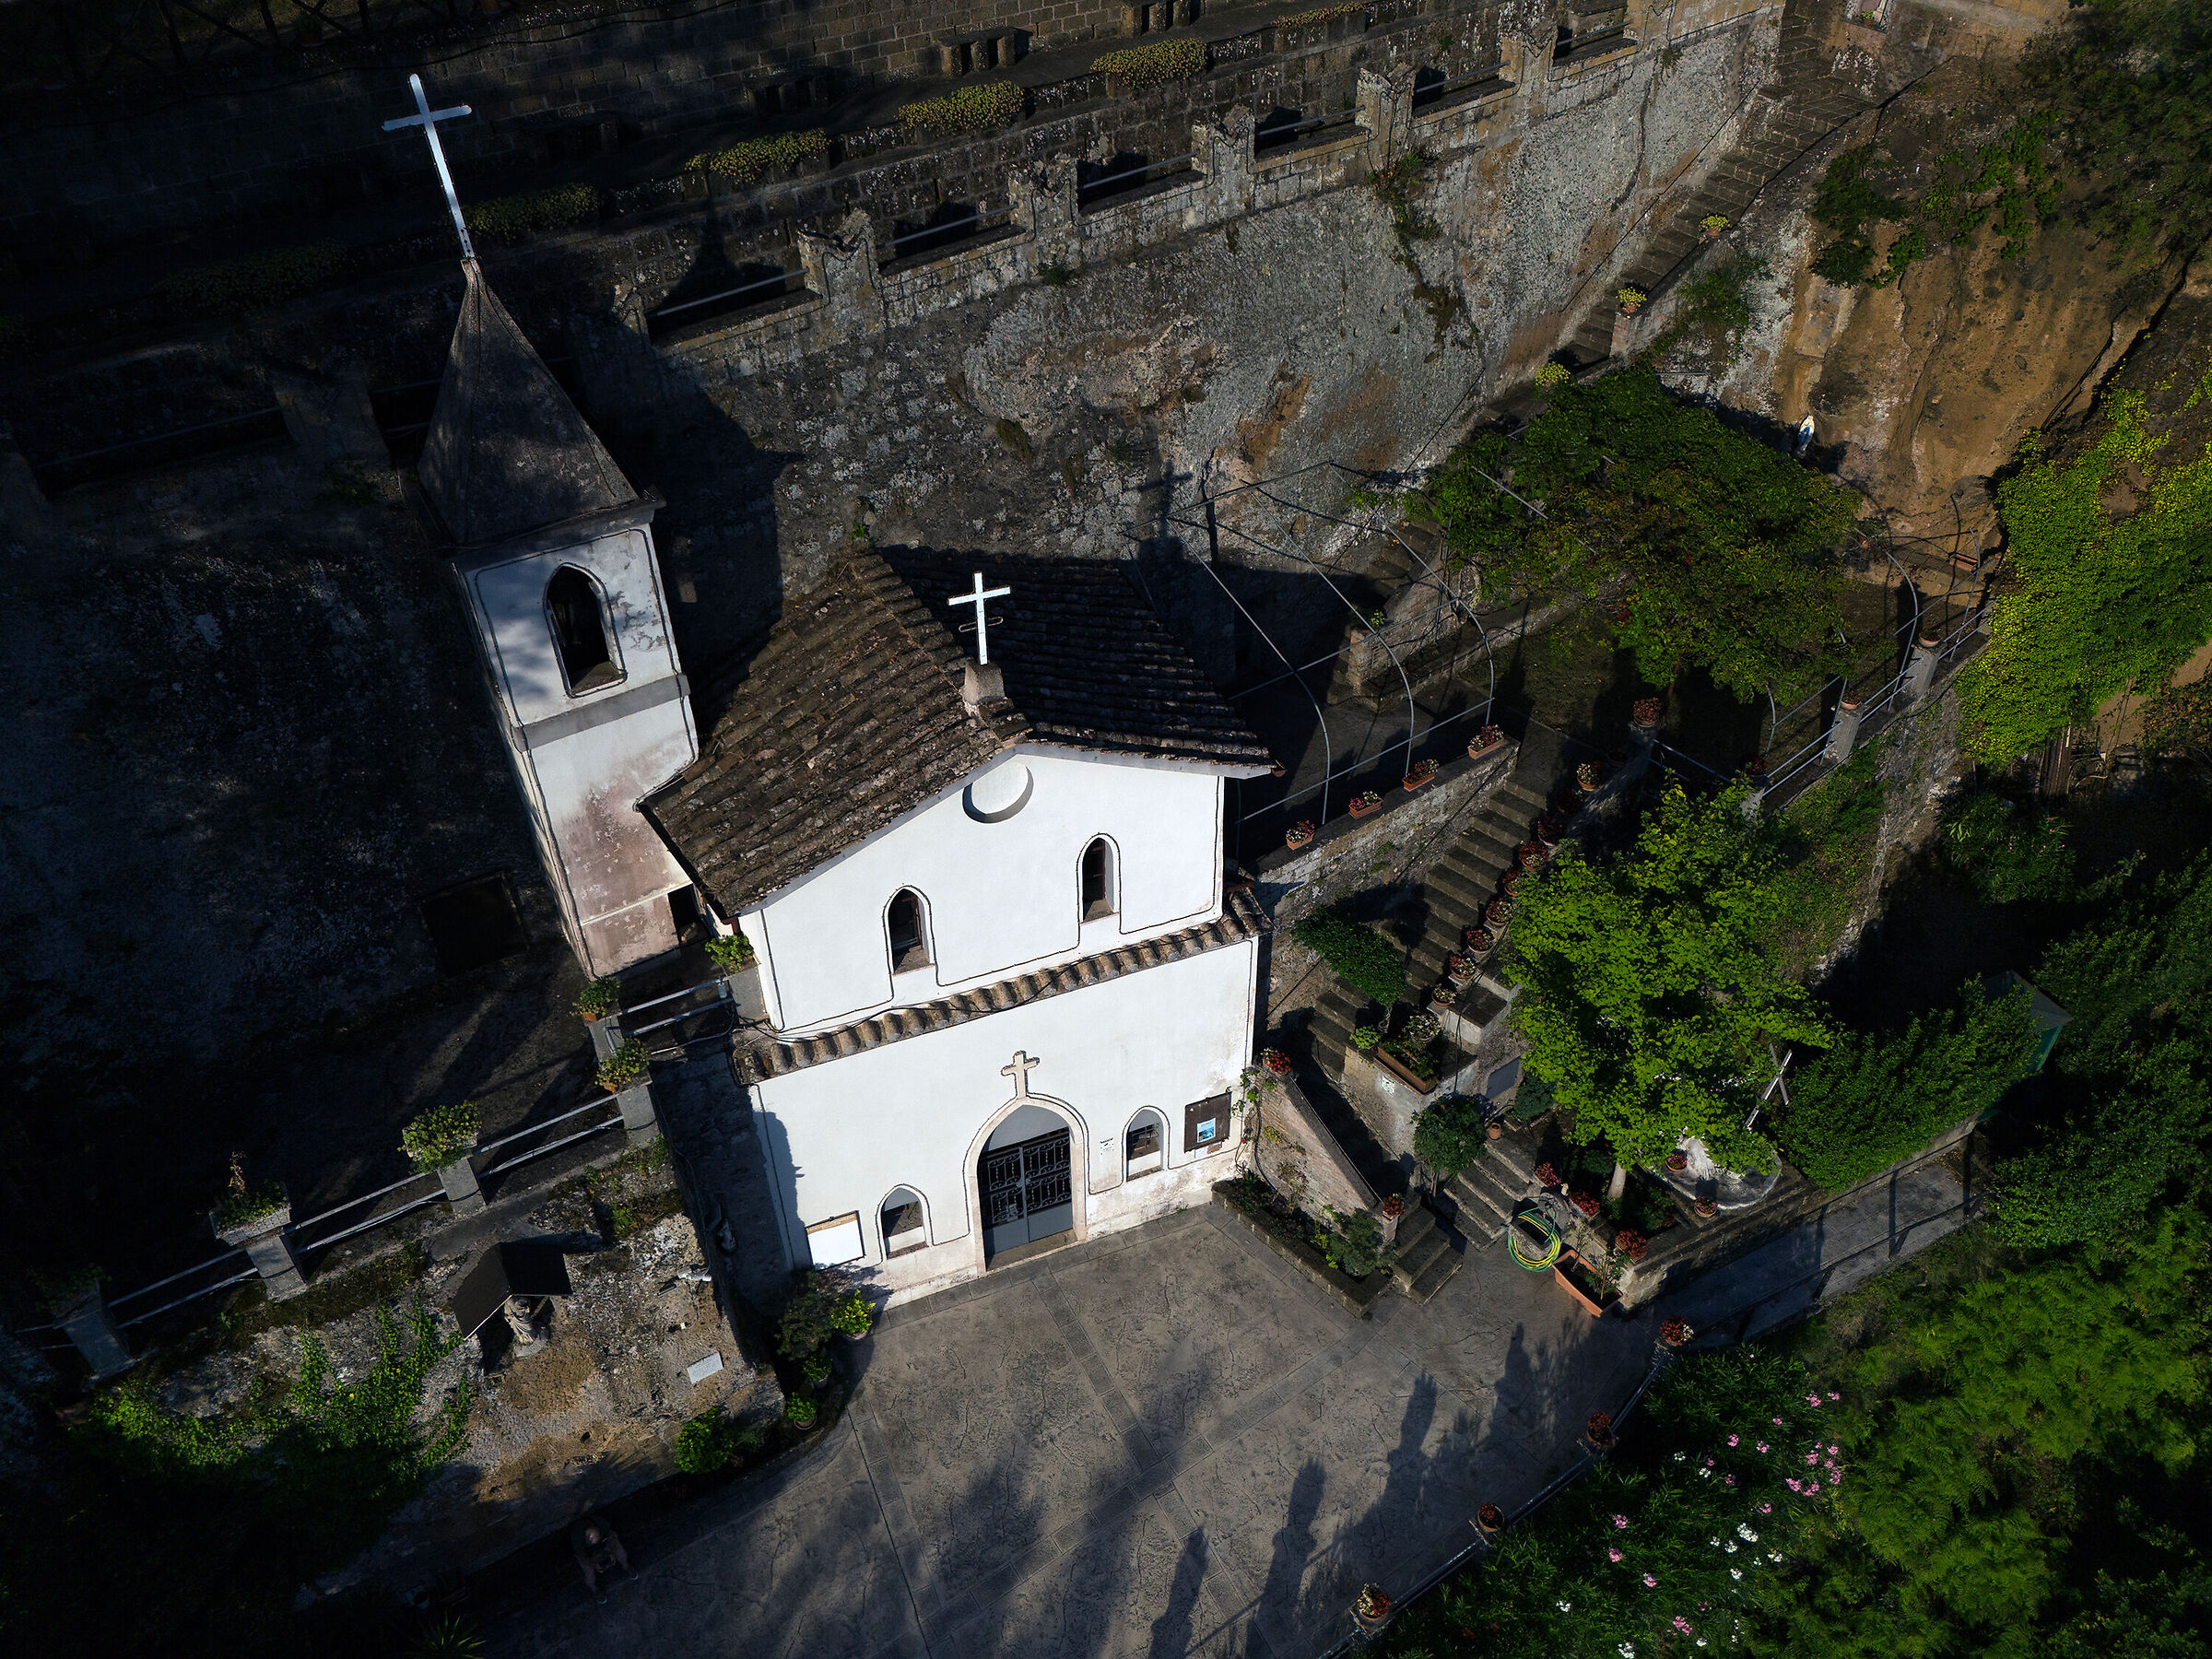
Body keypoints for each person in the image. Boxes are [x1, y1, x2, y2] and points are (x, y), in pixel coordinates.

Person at [571, 1514, 636, 1603]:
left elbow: (611, 1537)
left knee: (619, 1551)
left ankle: (626, 1566)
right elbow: (582, 1557)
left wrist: (612, 1553)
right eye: (594, 1539)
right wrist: (594, 1563)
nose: (596, 1538)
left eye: (597, 1536)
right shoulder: (577, 1537)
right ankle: (594, 1589)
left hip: (604, 1544)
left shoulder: (601, 1523)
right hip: (588, 1553)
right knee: (588, 1571)